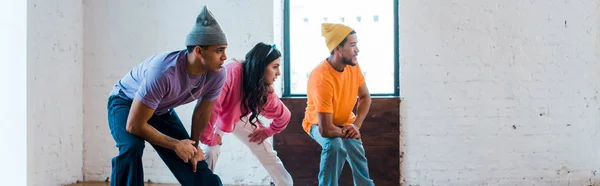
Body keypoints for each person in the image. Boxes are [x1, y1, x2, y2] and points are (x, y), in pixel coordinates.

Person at [106, 6, 227, 186]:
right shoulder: (163, 71)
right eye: (219, 50)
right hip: (125, 102)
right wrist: (175, 144)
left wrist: (193, 146)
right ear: (199, 51)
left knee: (191, 157)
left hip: (160, 109)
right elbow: (134, 125)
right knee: (132, 147)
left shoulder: (217, 74)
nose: (225, 57)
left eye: (224, 50)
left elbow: (202, 112)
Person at [199, 42, 294, 186]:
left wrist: (267, 131)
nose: (279, 73)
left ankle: (285, 184)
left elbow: (284, 116)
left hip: (239, 116)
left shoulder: (265, 91)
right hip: (217, 114)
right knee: (211, 150)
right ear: (261, 66)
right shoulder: (231, 72)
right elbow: (211, 108)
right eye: (275, 67)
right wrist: (208, 138)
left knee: (266, 152)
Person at [302, 23, 375, 186]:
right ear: (338, 49)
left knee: (355, 147)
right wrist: (347, 131)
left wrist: (355, 126)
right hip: (316, 124)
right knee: (334, 144)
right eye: (352, 45)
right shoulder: (322, 78)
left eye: (357, 44)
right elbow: (326, 129)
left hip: (344, 122)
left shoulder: (353, 66)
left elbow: (365, 97)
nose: (357, 50)